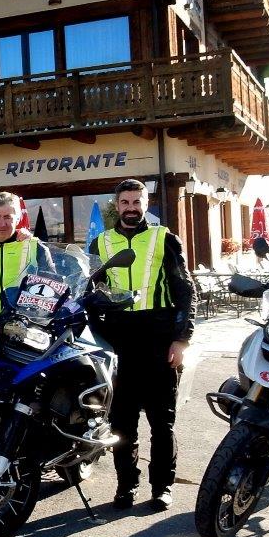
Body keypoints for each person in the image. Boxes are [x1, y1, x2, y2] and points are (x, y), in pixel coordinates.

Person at [88, 178, 194, 511]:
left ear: (146, 204)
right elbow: (90, 292)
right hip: (120, 340)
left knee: (162, 422)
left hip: (159, 336)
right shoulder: (100, 244)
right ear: (116, 206)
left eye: (137, 202)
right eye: (125, 203)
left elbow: (185, 290)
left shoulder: (165, 238)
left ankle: (162, 486)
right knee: (122, 421)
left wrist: (182, 338)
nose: (131, 208)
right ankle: (125, 486)